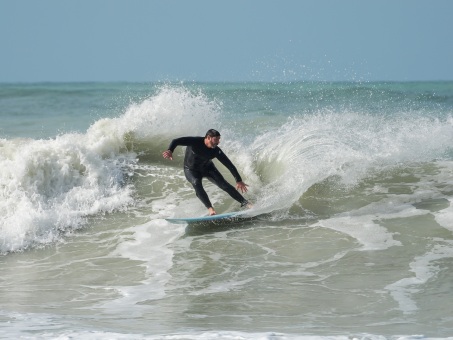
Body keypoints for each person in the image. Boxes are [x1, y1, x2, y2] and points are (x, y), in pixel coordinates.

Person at [162, 129, 250, 215]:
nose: (218, 142)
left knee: (224, 185)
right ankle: (210, 209)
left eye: (219, 140)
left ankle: (245, 203)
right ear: (208, 137)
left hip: (208, 168)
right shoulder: (195, 141)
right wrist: (170, 150)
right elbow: (176, 141)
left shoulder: (215, 150)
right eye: (216, 139)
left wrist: (238, 180)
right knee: (196, 183)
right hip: (191, 170)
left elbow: (229, 165)